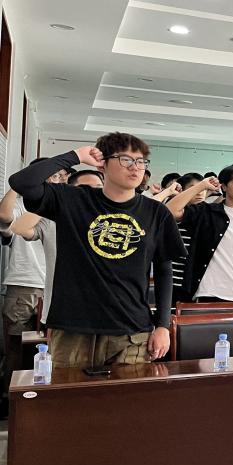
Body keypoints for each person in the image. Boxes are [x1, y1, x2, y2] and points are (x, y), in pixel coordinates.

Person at [8, 133, 186, 368]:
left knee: (129, 392)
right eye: (125, 159)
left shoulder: (156, 213)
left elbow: (164, 270)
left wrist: (162, 325)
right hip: (73, 327)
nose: (135, 167)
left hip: (131, 329)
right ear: (103, 164)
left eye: (140, 161)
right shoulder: (72, 200)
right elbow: (21, 182)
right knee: (69, 391)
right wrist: (75, 156)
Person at [165, 165, 233, 321]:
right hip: (208, 293)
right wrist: (201, 186)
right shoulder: (207, 212)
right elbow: (169, 210)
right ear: (223, 186)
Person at [10, 170, 104, 331]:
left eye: (98, 188)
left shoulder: (111, 222)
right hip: (63, 313)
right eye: (85, 189)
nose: (92, 193)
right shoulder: (53, 219)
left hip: (104, 314)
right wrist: (54, 201)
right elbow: (19, 228)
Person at [0, 158, 51, 397]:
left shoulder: (63, 205)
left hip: (53, 286)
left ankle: (38, 396)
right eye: (51, 175)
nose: (56, 179)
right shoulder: (20, 205)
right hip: (24, 284)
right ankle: (10, 399)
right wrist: (19, 183)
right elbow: (4, 216)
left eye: (60, 175)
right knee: (16, 346)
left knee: (47, 349)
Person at [169, 172, 206, 304]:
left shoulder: (206, 214)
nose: (200, 192)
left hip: (196, 281)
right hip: (173, 279)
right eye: (194, 188)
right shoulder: (175, 213)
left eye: (203, 188)